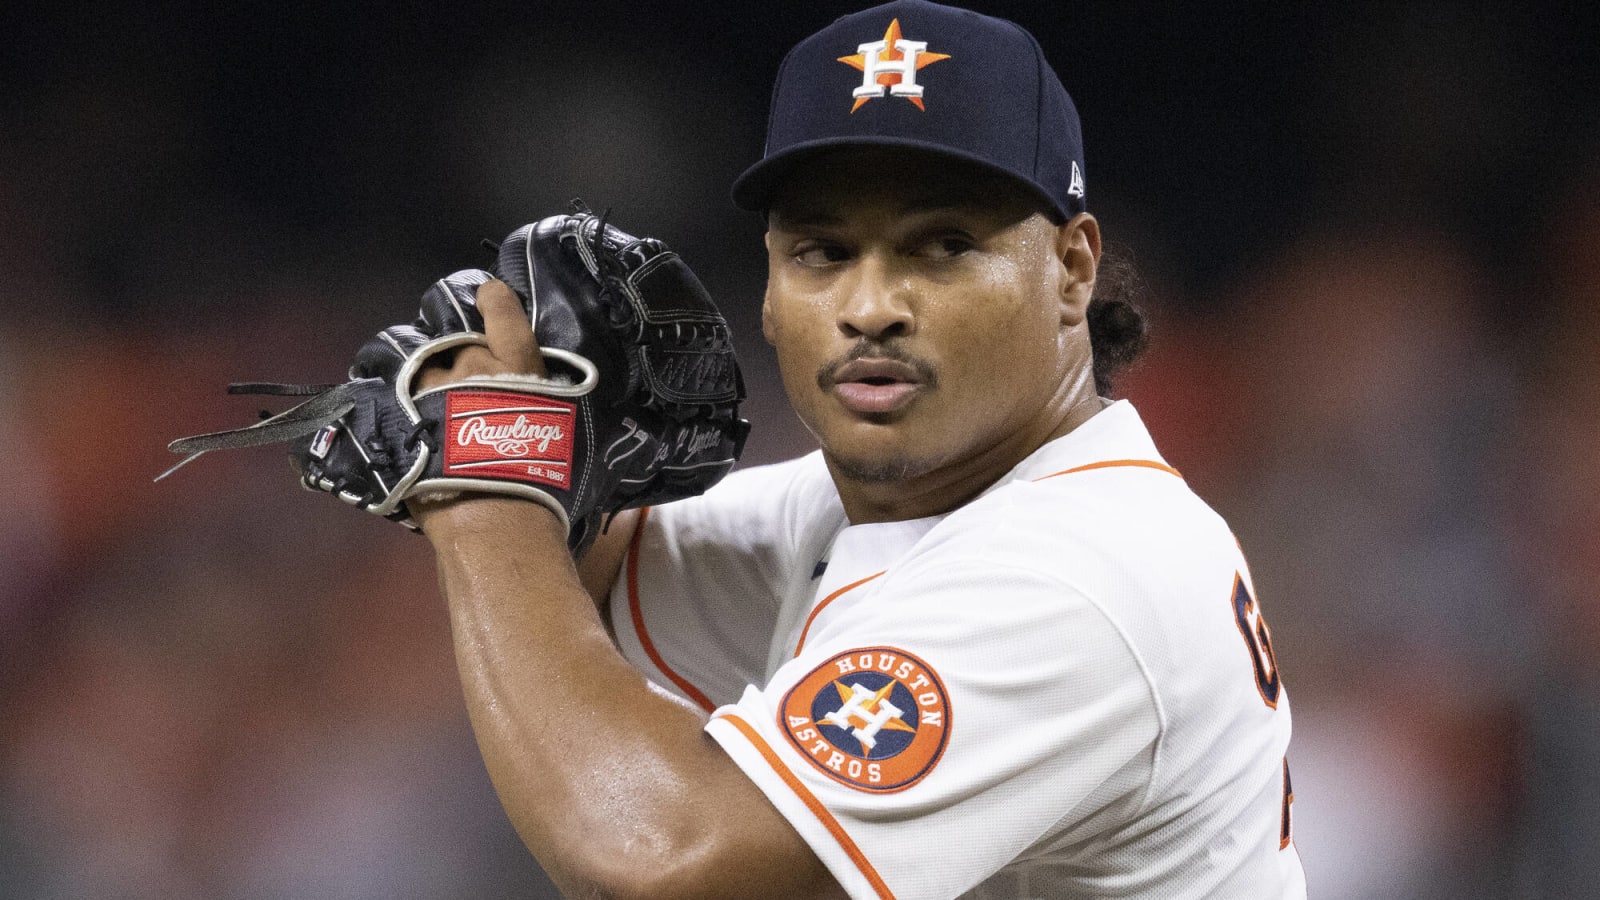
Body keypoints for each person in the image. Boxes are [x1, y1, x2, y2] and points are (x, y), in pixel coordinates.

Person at [408, 2, 1305, 897]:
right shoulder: (897, 503)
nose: (870, 305)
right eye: (824, 251)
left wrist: (486, 480)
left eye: (944, 246)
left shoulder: (1077, 574)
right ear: (766, 284)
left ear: (1072, 269)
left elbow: (663, 859)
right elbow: (568, 589)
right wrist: (512, 438)